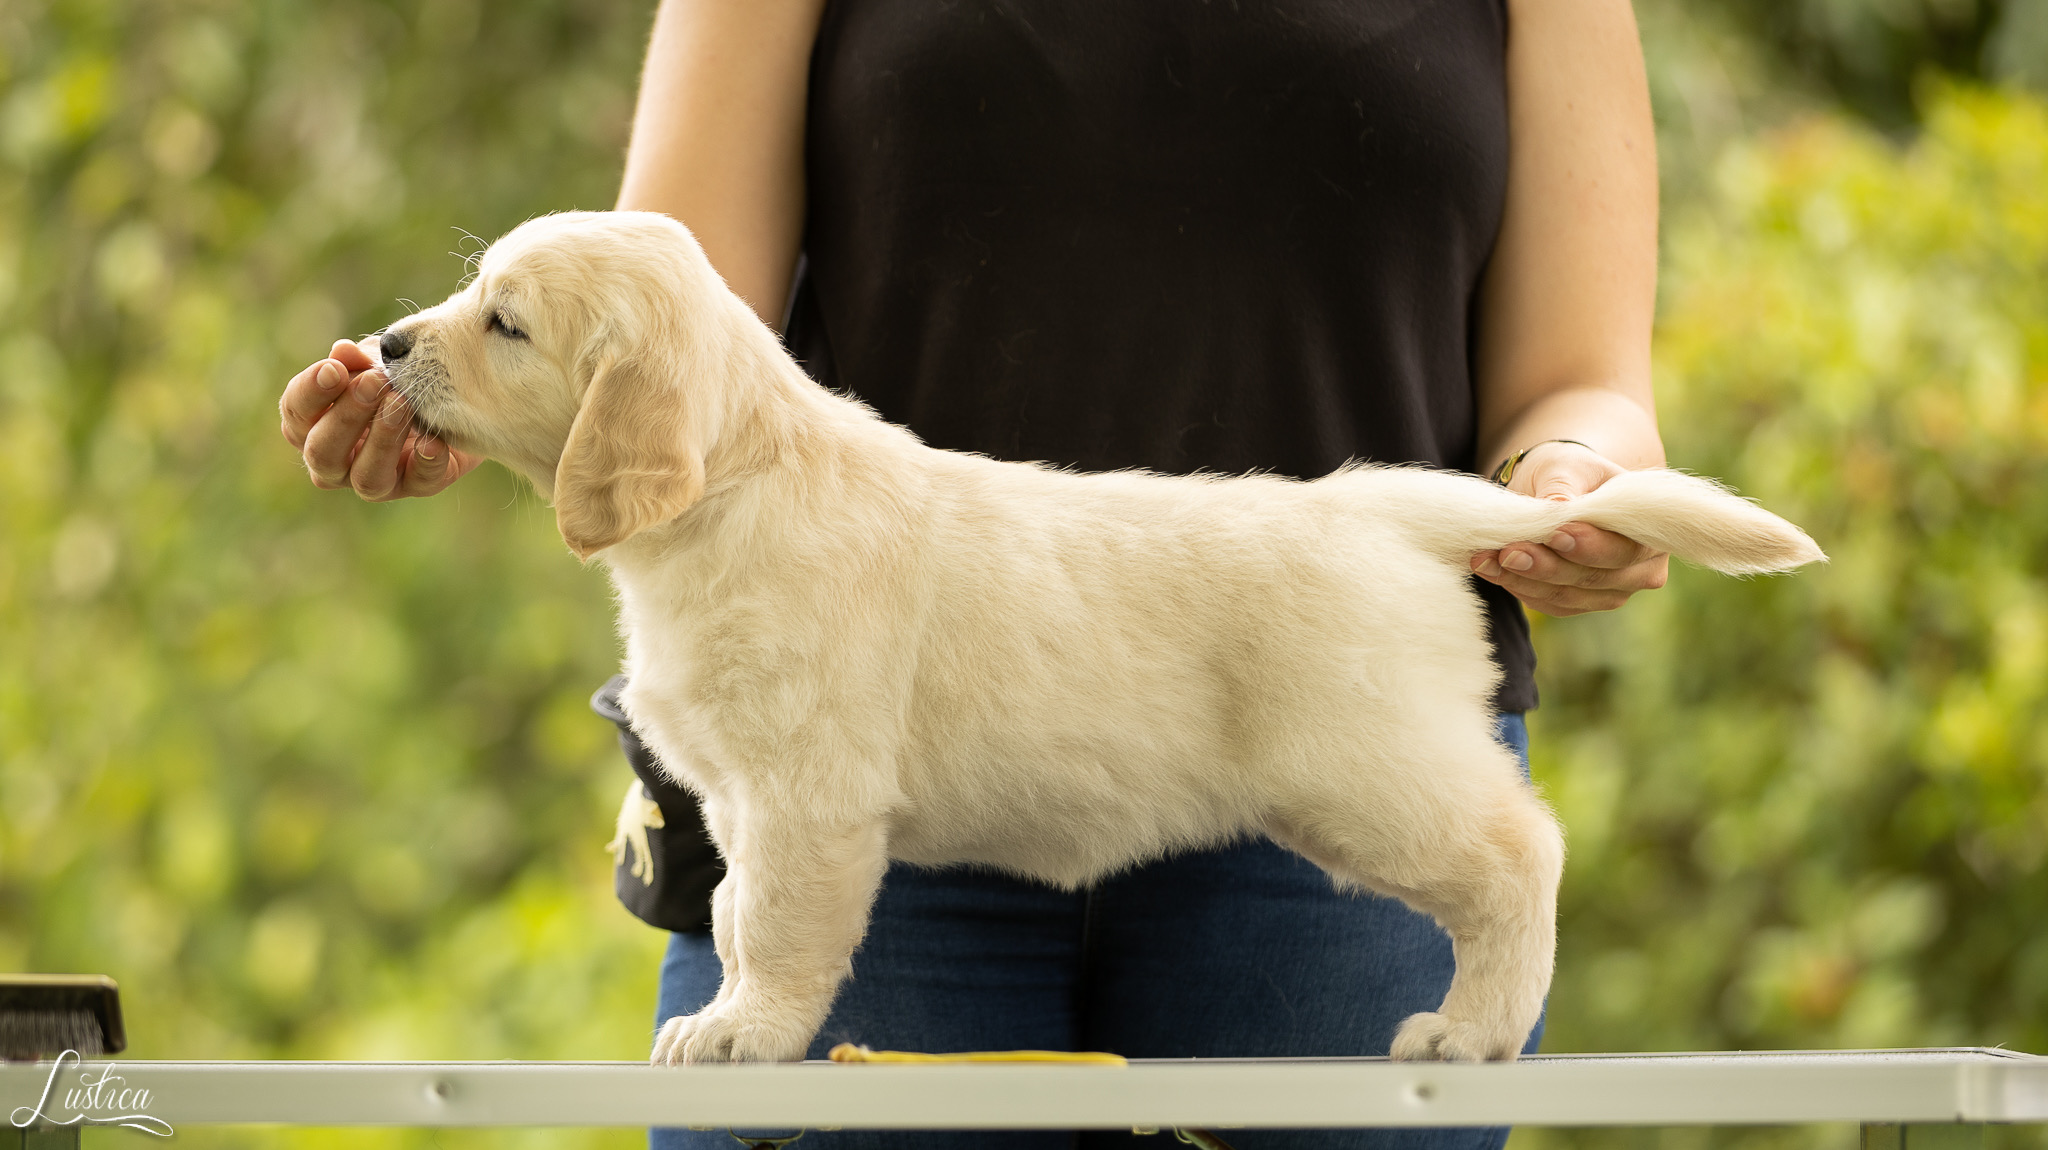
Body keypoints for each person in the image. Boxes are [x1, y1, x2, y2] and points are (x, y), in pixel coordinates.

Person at [277, 0, 1669, 1146]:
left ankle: (1503, 894)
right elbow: (666, 305)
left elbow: (1580, 373)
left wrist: (1574, 470)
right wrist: (493, 410)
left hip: (1309, 695)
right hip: (878, 825)